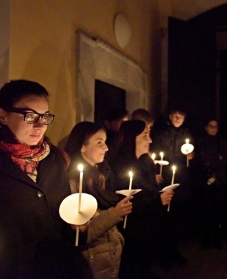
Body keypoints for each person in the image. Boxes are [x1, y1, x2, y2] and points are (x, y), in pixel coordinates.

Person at [0, 79, 88, 278]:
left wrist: (78, 226)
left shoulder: (54, 160)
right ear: (2, 116)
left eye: (45, 116)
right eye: (30, 116)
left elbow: (63, 222)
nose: (40, 125)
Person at [64, 121, 133, 279]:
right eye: (99, 142)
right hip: (91, 260)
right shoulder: (73, 183)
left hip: (109, 254)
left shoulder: (103, 176)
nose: (106, 148)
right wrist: (115, 213)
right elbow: (80, 234)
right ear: (82, 146)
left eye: (106, 142)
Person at [110, 120, 174, 278]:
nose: (150, 140)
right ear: (131, 138)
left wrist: (161, 194)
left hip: (149, 228)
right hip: (131, 231)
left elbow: (150, 189)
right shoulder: (120, 165)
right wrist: (157, 201)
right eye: (145, 136)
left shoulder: (146, 161)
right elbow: (125, 201)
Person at [150, 106, 193, 265]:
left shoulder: (187, 134)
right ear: (169, 116)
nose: (177, 118)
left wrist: (191, 155)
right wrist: (155, 170)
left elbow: (192, 154)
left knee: (177, 216)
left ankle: (174, 250)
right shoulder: (161, 134)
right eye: (174, 115)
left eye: (180, 115)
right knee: (164, 216)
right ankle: (163, 252)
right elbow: (154, 153)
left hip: (181, 179)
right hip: (165, 178)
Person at [193, 118, 227, 249]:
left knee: (218, 210)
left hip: (219, 182)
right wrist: (216, 160)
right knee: (206, 210)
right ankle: (206, 238)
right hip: (204, 182)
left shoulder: (221, 142)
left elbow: (226, 160)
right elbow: (199, 160)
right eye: (211, 126)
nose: (213, 129)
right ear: (206, 127)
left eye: (216, 126)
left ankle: (217, 238)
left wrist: (211, 162)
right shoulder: (200, 142)